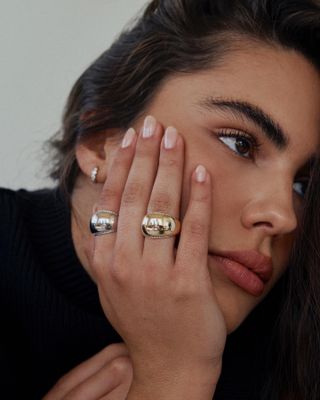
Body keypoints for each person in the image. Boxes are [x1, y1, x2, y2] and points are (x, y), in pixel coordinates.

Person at [1, 0, 319, 399]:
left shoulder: (295, 345)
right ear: (101, 141)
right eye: (239, 143)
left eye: (303, 185)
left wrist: (176, 374)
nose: (284, 215)